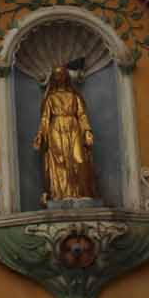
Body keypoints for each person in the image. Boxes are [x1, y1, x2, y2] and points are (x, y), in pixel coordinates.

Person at [34, 65, 95, 201]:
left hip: (74, 128)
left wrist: (87, 132)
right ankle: (60, 195)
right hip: (55, 128)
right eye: (56, 75)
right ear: (53, 78)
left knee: (79, 159)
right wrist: (40, 134)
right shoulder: (50, 98)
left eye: (62, 74)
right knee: (59, 161)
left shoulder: (74, 97)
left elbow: (82, 115)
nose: (59, 77)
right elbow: (45, 118)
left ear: (66, 77)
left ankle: (81, 193)